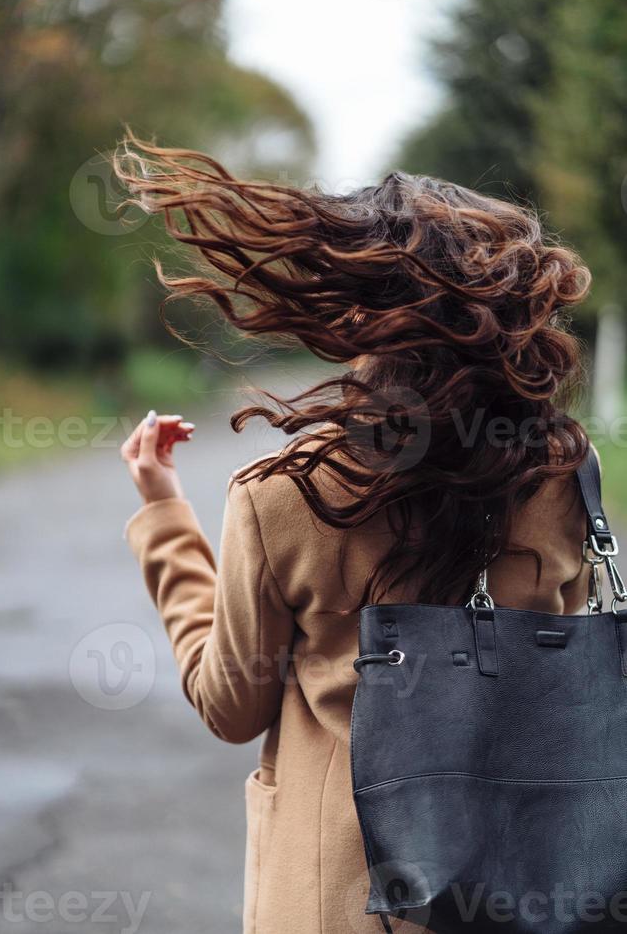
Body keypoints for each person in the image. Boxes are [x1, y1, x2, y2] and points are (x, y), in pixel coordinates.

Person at [117, 138, 593, 934]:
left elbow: (231, 706)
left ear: (360, 310)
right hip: (521, 892)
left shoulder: (288, 497)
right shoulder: (565, 476)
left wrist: (164, 513)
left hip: (334, 903)